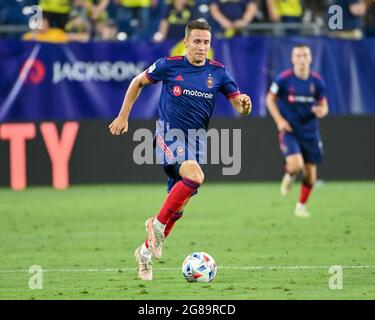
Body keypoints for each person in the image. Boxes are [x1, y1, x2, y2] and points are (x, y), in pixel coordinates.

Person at [109, 20, 251, 280]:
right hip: (168, 136)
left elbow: (238, 105)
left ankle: (144, 254)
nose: (201, 47)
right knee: (196, 177)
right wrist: (123, 116)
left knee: (178, 209)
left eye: (206, 42)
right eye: (196, 41)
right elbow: (137, 82)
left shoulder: (219, 72)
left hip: (196, 143)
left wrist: (244, 105)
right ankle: (156, 225)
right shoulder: (169, 64)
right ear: (186, 42)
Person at [266, 45, 329, 218]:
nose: (302, 59)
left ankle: (301, 206)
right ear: (293, 59)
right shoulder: (283, 79)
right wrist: (280, 121)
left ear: (310, 58)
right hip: (290, 130)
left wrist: (321, 111)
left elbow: (324, 106)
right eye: (298, 55)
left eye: (305, 55)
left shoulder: (317, 81)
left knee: (310, 176)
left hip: (310, 132)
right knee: (296, 165)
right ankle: (289, 174)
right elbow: (269, 100)